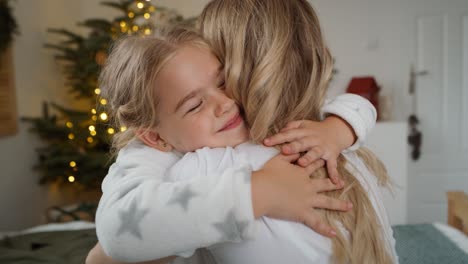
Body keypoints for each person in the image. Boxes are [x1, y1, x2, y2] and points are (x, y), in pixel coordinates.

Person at [88, 1, 394, 264]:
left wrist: (336, 129)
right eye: (194, 105)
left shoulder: (308, 134)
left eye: (223, 82)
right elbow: (117, 232)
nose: (223, 104)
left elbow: (99, 258)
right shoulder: (156, 159)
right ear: (154, 137)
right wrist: (259, 192)